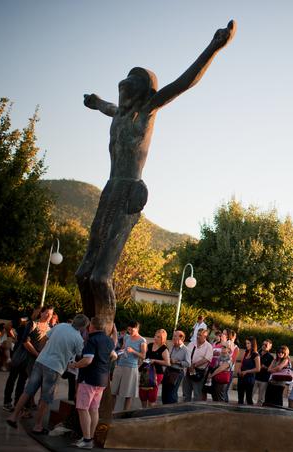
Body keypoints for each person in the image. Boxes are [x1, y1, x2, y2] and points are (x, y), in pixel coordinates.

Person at [75, 21, 237, 328]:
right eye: (120, 88)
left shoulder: (147, 110)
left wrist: (214, 47)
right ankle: (88, 323)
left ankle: (104, 329)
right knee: (83, 273)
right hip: (110, 189)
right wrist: (95, 103)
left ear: (141, 92)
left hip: (130, 191)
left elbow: (183, 83)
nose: (122, 93)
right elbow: (107, 106)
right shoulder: (119, 114)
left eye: (128, 89)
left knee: (100, 275)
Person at [6, 314, 89, 434]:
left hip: (41, 360)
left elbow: (45, 339)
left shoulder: (60, 326)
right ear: (83, 327)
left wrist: (42, 352)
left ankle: (13, 416)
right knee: (46, 397)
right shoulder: (78, 339)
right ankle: (38, 425)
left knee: (28, 390)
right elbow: (81, 355)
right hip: (55, 367)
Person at [68, 316, 116, 450]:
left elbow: (87, 360)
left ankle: (87, 439)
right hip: (102, 380)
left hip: (89, 379)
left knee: (83, 408)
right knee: (94, 409)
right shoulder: (108, 340)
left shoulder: (92, 340)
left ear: (91, 326)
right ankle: (90, 437)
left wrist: (74, 365)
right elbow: (114, 355)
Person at [111, 319, 147, 411]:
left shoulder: (142, 340)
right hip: (120, 365)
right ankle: (111, 412)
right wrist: (119, 353)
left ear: (137, 329)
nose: (130, 332)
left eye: (132, 330)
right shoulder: (126, 337)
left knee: (128, 393)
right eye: (129, 330)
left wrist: (133, 351)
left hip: (131, 368)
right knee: (113, 391)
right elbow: (123, 348)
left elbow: (143, 356)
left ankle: (125, 413)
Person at [139, 329, 170, 408]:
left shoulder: (164, 349)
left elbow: (167, 363)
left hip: (157, 374)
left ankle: (150, 415)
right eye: (155, 336)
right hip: (146, 372)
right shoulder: (150, 345)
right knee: (142, 393)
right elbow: (146, 358)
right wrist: (140, 367)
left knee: (151, 395)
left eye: (158, 337)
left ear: (163, 338)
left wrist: (155, 360)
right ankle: (143, 413)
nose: (155, 338)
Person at [183, 328, 213, 402]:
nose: (197, 336)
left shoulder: (208, 346)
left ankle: (195, 411)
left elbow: (206, 359)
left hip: (198, 372)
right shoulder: (191, 344)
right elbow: (186, 354)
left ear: (205, 337)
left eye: (200, 335)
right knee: (186, 392)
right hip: (189, 370)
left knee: (197, 393)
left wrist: (194, 365)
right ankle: (185, 410)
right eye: (197, 334)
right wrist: (189, 365)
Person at [162, 330, 190, 404]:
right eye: (173, 336)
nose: (173, 338)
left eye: (175, 336)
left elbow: (188, 363)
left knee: (172, 394)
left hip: (177, 372)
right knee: (164, 392)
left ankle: (172, 411)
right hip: (168, 370)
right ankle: (164, 410)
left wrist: (177, 362)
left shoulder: (186, 350)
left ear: (182, 338)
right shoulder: (172, 347)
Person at [237, 337, 261, 405]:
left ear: (253, 344)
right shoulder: (245, 352)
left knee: (248, 398)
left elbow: (258, 369)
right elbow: (241, 363)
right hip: (241, 377)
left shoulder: (256, 355)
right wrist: (239, 369)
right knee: (240, 397)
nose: (247, 345)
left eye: (248, 343)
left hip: (249, 379)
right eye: (246, 343)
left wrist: (246, 371)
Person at [254, 339, 274, 406]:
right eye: (263, 344)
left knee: (260, 399)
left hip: (264, 379)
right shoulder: (257, 354)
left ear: (270, 347)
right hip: (255, 377)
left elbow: (271, 369)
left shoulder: (271, 357)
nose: (264, 346)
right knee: (249, 395)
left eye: (266, 345)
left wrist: (264, 367)